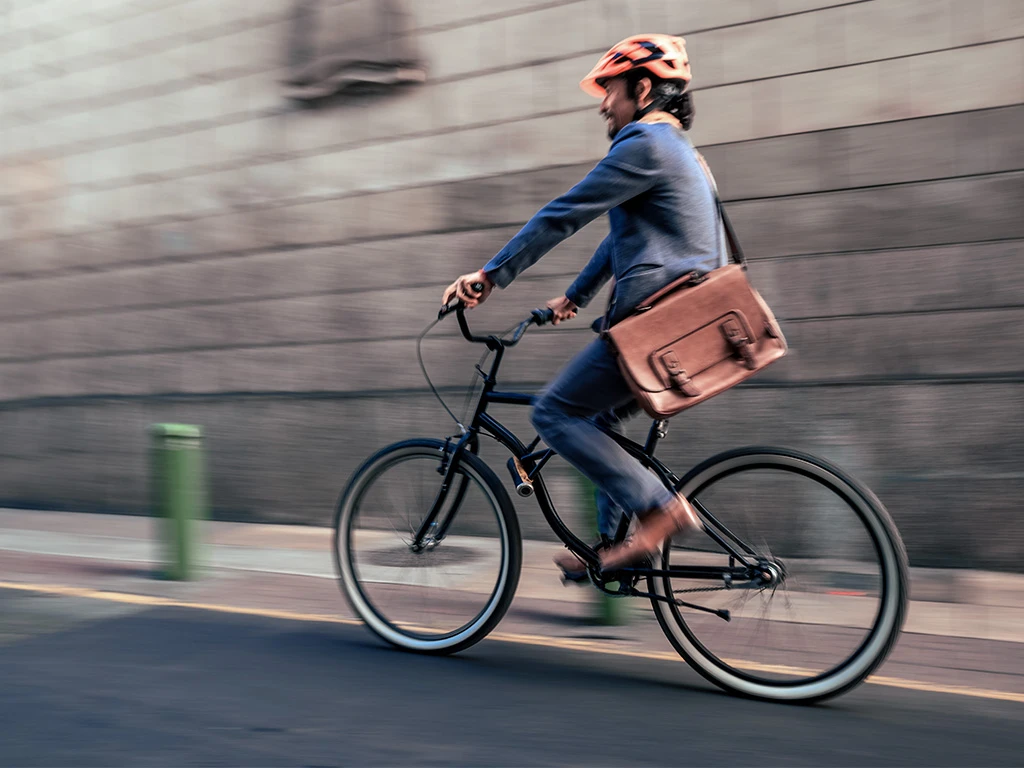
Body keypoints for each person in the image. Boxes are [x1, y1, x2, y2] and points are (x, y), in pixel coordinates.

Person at [441, 34, 725, 577]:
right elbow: (623, 235)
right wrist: (576, 296)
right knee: (595, 417)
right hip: (691, 322)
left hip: (656, 326)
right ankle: (612, 551)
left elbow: (563, 214)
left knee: (552, 412)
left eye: (610, 90)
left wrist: (490, 276)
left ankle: (661, 509)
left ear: (642, 90)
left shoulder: (644, 144)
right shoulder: (682, 155)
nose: (602, 104)